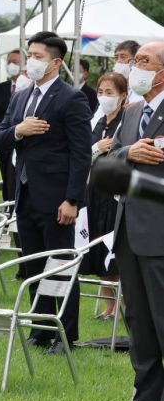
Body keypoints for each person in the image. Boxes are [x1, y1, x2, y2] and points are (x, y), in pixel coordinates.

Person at [0, 31, 92, 354]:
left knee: (60, 264)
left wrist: (72, 199)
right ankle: (41, 328)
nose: (30, 61)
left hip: (57, 196)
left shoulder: (70, 98)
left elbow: (81, 153)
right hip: (25, 192)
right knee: (33, 264)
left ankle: (66, 333)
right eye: (29, 54)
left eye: (37, 56)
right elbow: (1, 137)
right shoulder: (22, 96)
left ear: (55, 62)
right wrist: (19, 131)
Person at [108, 40, 164, 401]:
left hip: (160, 233)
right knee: (140, 325)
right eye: (136, 60)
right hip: (128, 233)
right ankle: (145, 396)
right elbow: (106, 163)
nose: (136, 67)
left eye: (144, 61)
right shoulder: (130, 113)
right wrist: (128, 152)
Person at [80, 72, 126, 319]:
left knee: (116, 253)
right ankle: (109, 306)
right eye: (101, 92)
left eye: (110, 93)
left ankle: (126, 305)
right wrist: (96, 149)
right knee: (99, 251)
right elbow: (82, 157)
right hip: (94, 193)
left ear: (122, 96)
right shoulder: (96, 123)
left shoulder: (126, 122)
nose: (104, 97)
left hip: (115, 195)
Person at [0, 50, 22, 205]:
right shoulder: (2, 87)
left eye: (16, 62)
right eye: (9, 61)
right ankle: (7, 202)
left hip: (20, 139)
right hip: (5, 137)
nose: (12, 65)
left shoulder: (28, 88)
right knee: (6, 175)